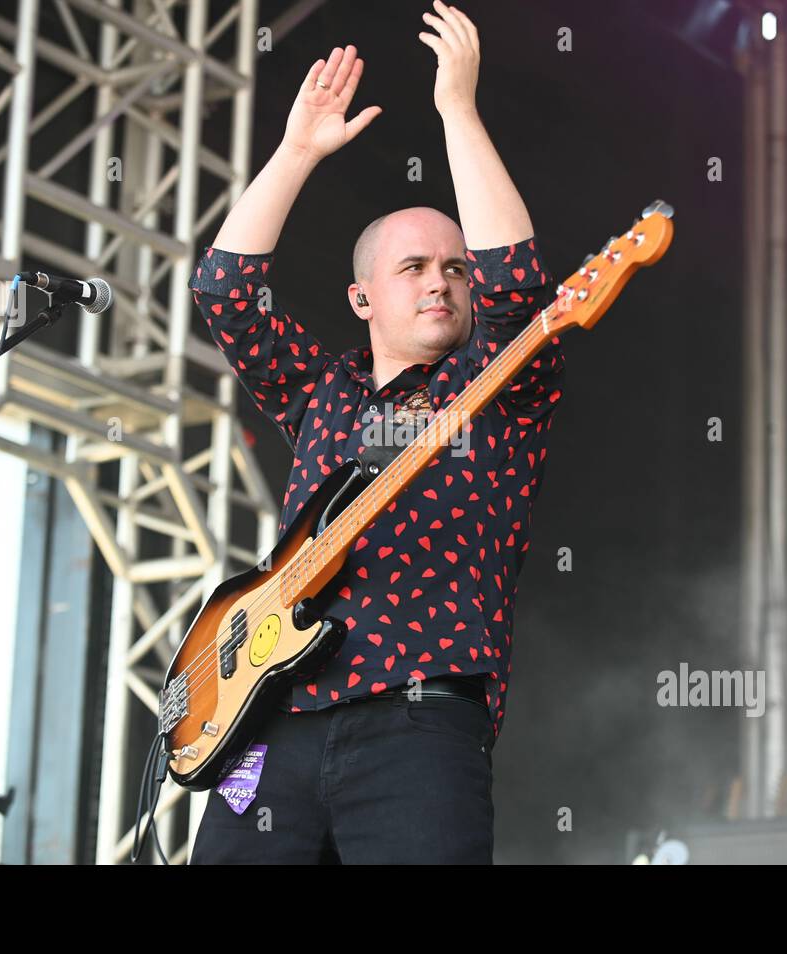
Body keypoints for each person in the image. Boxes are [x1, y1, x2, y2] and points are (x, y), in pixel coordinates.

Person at [188, 1, 563, 864]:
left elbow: (520, 286)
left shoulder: (497, 390)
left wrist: (458, 113)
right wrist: (296, 152)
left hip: (419, 720)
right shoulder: (326, 392)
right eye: (415, 268)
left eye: (454, 270)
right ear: (362, 299)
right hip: (272, 722)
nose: (443, 283)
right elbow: (224, 293)